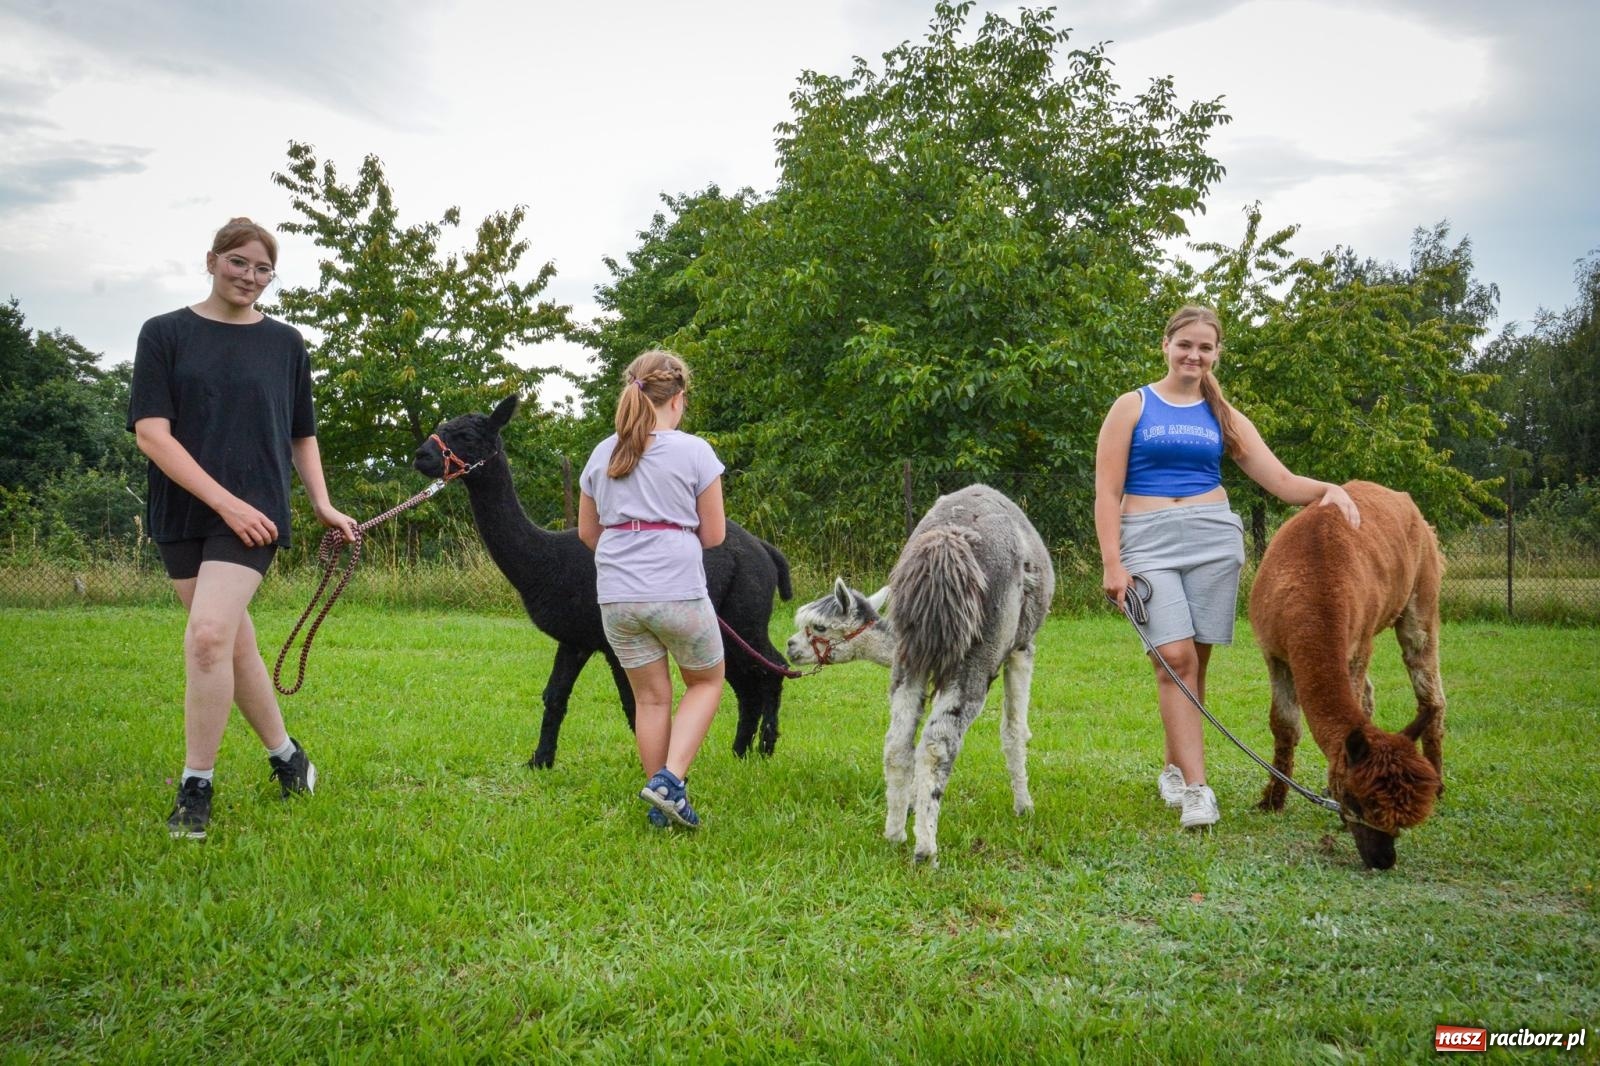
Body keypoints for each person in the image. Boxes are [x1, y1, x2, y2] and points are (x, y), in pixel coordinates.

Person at [129, 217, 357, 840]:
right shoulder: (165, 334)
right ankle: (287, 758)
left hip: (254, 516)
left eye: (262, 269)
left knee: (206, 636)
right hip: (183, 513)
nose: (249, 277)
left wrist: (322, 504)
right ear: (211, 260)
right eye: (238, 263)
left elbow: (301, 434)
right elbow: (153, 434)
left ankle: (195, 786)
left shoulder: (285, 344)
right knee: (231, 644)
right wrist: (219, 502)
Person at [1093, 305, 1360, 830]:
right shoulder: (1133, 405)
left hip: (1214, 540)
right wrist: (1112, 562)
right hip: (1145, 540)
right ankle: (1197, 790)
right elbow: (1107, 490)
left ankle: (1174, 768)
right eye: (1185, 344)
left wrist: (1330, 489)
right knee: (1173, 656)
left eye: (1205, 347)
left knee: (1194, 663)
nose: (1194, 355)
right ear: (1166, 345)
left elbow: (1279, 481)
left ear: (1216, 355)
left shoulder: (1224, 416)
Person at [578, 350, 726, 830]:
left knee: (651, 698)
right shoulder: (695, 451)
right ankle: (671, 780)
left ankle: (663, 802)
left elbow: (587, 532)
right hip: (677, 590)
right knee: (705, 681)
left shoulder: (602, 453)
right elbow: (715, 535)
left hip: (617, 597)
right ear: (677, 399)